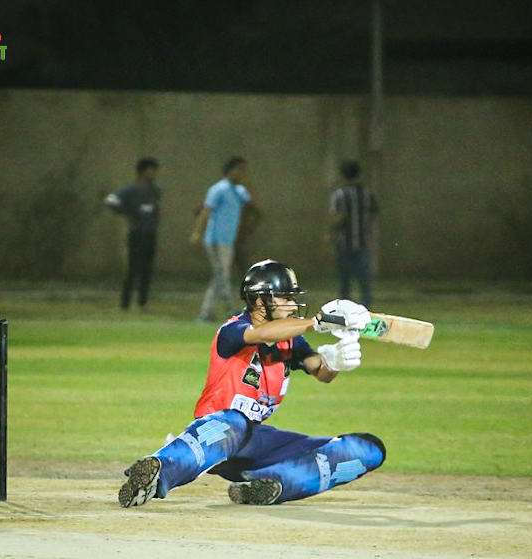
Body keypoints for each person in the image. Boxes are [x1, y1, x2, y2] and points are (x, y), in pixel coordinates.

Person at [118, 259, 386, 507]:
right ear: (260, 301)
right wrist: (315, 323)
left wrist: (336, 361)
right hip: (218, 437)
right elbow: (261, 334)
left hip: (256, 444)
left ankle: (269, 484)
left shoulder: (290, 339)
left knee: (367, 449)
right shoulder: (232, 330)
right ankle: (156, 473)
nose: (293, 306)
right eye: (286, 298)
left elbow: (319, 370)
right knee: (236, 421)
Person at [190, 156, 258, 322]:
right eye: (239, 169)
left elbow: (252, 206)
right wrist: (197, 232)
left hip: (228, 240)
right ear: (229, 171)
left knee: (222, 275)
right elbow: (206, 210)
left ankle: (225, 310)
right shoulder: (218, 189)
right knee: (221, 275)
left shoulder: (239, 191)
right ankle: (209, 312)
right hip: (215, 239)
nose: (242, 173)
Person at [104, 157, 162, 310]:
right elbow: (110, 201)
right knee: (133, 268)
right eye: (150, 170)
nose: (153, 174)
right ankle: (125, 303)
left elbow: (154, 209)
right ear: (142, 172)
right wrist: (127, 214)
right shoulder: (130, 190)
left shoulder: (154, 191)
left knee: (147, 269)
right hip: (137, 234)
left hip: (150, 233)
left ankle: (143, 302)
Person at [328, 160, 379, 308]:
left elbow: (338, 218)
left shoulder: (339, 194)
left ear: (343, 175)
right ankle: (366, 306)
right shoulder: (367, 194)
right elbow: (374, 212)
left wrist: (331, 233)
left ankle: (345, 307)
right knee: (364, 278)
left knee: (344, 278)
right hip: (363, 241)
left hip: (344, 242)